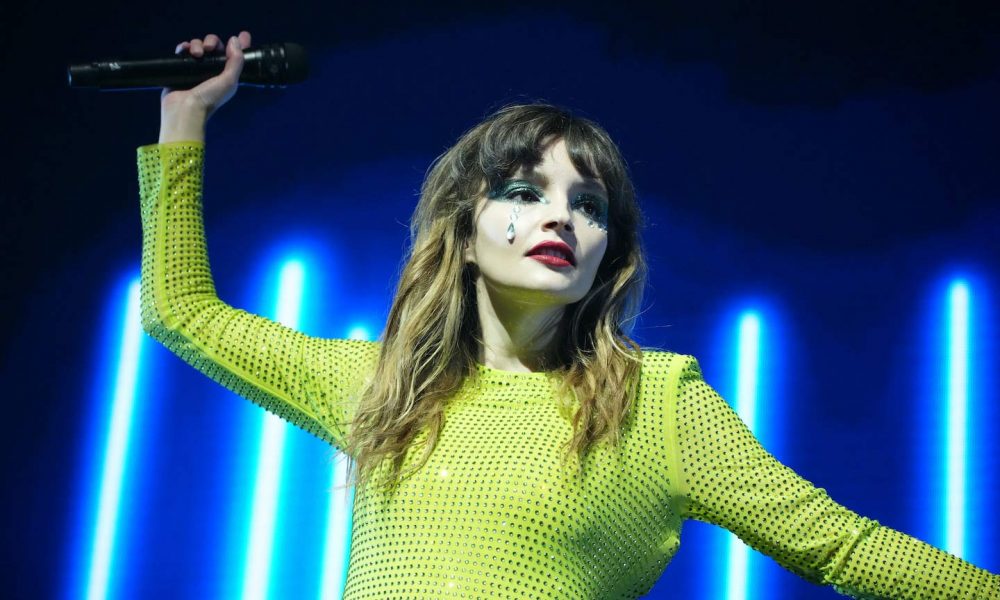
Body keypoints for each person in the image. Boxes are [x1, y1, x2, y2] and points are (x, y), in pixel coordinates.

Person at [140, 30, 1000, 599]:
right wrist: (185, 120)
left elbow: (841, 546)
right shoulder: (382, 385)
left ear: (605, 257)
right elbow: (179, 311)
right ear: (467, 234)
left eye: (588, 207)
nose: (560, 218)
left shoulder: (657, 405)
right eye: (525, 192)